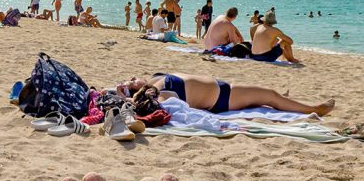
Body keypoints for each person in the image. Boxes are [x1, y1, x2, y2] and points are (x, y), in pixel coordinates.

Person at [122, 73, 335, 116]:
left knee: (268, 96)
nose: (133, 78)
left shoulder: (158, 81)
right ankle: (314, 109)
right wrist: (126, 96)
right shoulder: (162, 94)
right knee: (270, 96)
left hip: (223, 90)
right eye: (131, 82)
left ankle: (282, 99)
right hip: (223, 96)